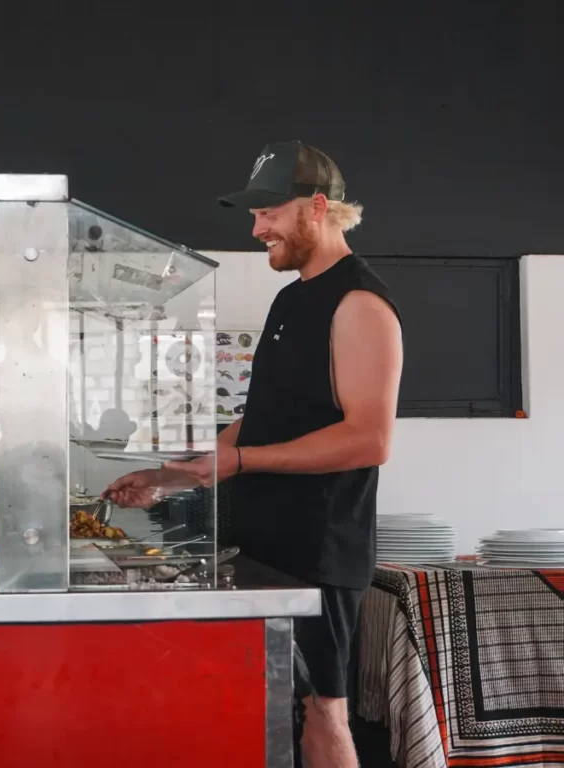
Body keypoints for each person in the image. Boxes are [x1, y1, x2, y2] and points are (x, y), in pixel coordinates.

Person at [104, 141, 404, 768]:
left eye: (269, 212)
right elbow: (263, 418)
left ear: (316, 207)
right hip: (265, 544)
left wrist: (240, 463)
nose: (256, 228)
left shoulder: (360, 303)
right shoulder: (292, 298)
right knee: (276, 712)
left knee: (324, 713)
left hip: (320, 551)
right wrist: (169, 477)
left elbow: (369, 439)